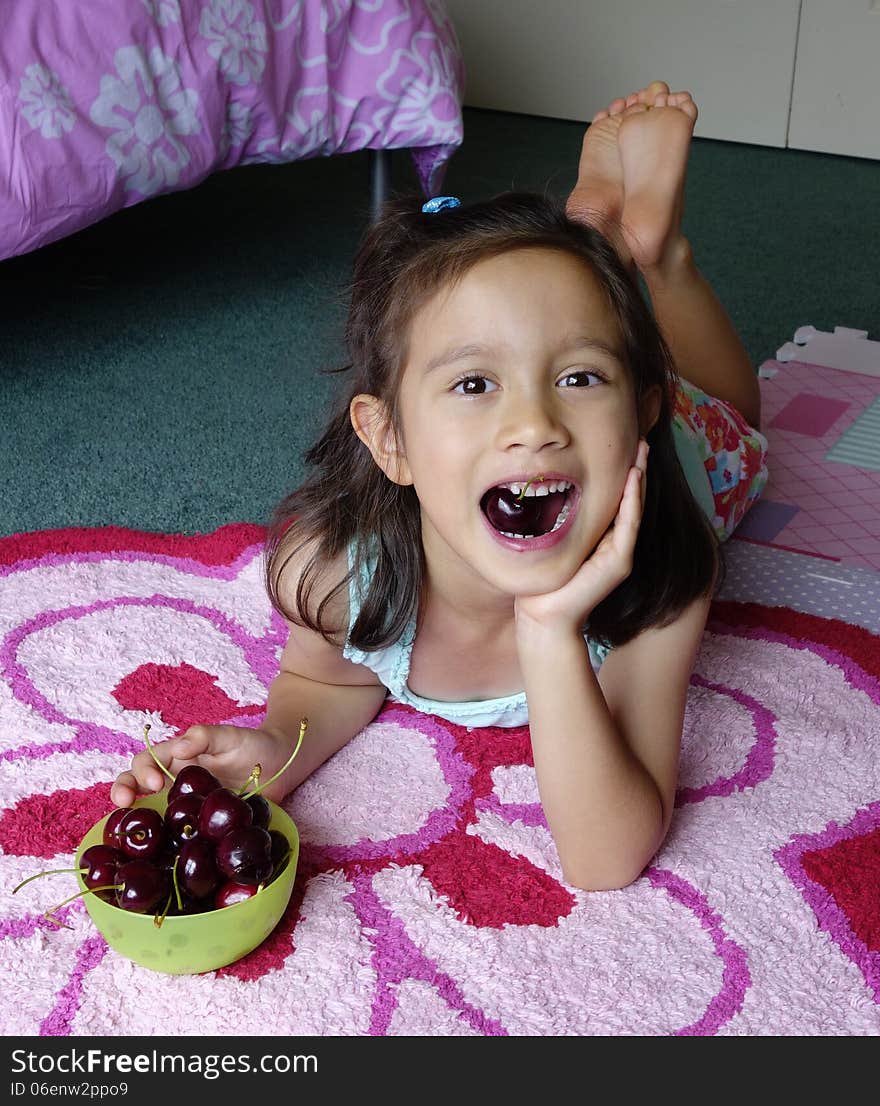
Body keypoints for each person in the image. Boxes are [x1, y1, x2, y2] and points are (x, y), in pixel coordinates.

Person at [111, 81, 768, 891]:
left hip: (685, 450)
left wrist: (552, 629)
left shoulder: (667, 570)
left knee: (737, 413)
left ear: (636, 420)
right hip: (610, 422)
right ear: (389, 441)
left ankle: (652, 256)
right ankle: (601, 246)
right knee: (585, 325)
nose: (534, 423)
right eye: (472, 385)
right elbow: (326, 679)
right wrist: (275, 748)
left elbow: (605, 858)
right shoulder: (332, 573)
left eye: (578, 377)